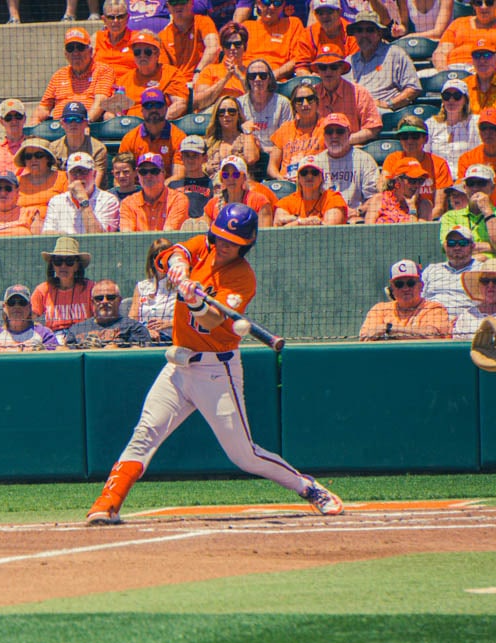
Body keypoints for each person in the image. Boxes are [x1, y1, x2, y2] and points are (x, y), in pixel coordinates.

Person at [86, 203, 344, 525]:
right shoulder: (202, 246)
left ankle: (308, 487)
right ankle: (107, 503)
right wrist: (179, 264)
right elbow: (165, 255)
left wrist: (195, 301)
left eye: (231, 241)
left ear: (245, 244)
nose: (223, 245)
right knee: (145, 432)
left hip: (216, 372)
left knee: (244, 455)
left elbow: (211, 321)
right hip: (178, 366)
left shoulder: (242, 278)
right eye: (220, 237)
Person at [439, 164, 496, 260]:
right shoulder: (450, 216)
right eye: (471, 183)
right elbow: (451, 250)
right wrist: (490, 249)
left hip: (494, 269)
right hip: (461, 267)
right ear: (465, 188)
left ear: (492, 187)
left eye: (481, 183)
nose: (475, 188)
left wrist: (487, 212)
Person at [346, 10, 421, 113]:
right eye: (359, 30)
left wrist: (388, 104)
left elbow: (413, 88)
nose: (364, 35)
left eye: (370, 30)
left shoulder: (395, 54)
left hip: (383, 112)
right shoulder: (349, 61)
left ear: (379, 33)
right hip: (353, 112)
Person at [34, 27, 112, 127]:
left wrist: (83, 124)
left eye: (80, 47)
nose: (75, 53)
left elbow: (100, 102)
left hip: (88, 127)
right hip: (60, 128)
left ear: (90, 51)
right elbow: (44, 108)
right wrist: (34, 123)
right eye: (70, 48)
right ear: (65, 54)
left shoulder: (102, 70)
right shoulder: (59, 75)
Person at [359, 258, 453, 340]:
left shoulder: (434, 308)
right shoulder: (380, 309)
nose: (405, 288)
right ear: (392, 289)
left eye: (410, 283)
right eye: (399, 284)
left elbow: (433, 335)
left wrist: (388, 329)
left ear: (421, 286)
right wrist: (413, 335)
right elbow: (365, 336)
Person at [382, 115, 452, 218]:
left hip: (428, 219)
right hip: (397, 217)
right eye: (404, 137)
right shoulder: (392, 159)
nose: (410, 141)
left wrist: (419, 224)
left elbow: (439, 207)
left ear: (426, 139)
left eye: (415, 136)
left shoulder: (439, 164)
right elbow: (383, 189)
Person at [315, 113, 381, 221]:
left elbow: (375, 198)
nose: (334, 136)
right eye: (329, 132)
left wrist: (358, 211)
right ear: (324, 135)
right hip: (323, 219)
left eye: (339, 131)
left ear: (349, 134)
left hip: (354, 218)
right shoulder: (316, 162)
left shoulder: (364, 160)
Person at [310, 44, 381, 145]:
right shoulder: (311, 94)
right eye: (323, 67)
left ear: (341, 68)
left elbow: (372, 129)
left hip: (350, 148)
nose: (328, 71)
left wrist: (343, 142)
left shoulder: (359, 93)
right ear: (318, 70)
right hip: (317, 149)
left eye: (333, 67)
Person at [33, 236, 95, 340]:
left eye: (69, 261)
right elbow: (29, 319)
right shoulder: (43, 290)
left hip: (83, 337)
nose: (63, 266)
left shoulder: (90, 288)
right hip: (53, 340)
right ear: (52, 265)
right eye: (58, 261)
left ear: (77, 266)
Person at [432, 0, 496, 71]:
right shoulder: (458, 23)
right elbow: (441, 53)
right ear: (473, 5)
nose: (483, 7)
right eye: (478, 2)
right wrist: (444, 71)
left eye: (489, 2)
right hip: (456, 69)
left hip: (488, 73)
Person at [118, 87, 188, 178]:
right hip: (138, 189)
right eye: (149, 106)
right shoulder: (130, 138)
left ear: (166, 108)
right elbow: (121, 175)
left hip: (168, 189)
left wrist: (155, 190)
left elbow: (179, 176)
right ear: (142, 110)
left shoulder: (178, 137)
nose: (153, 110)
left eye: (158, 105)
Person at [43, 152, 119, 234]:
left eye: (84, 172)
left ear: (94, 174)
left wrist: (83, 200)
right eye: (74, 172)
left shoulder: (108, 200)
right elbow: (47, 234)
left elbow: (99, 239)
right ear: (67, 176)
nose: (79, 177)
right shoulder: (56, 201)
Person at [117, 30, 187, 119]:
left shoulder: (171, 74)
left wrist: (155, 122)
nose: (142, 56)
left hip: (161, 126)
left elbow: (180, 104)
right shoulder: (124, 79)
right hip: (129, 127)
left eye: (147, 52)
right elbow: (112, 111)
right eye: (137, 52)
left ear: (157, 54)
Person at [64, 279, 150, 347]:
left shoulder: (134, 328)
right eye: (99, 298)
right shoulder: (76, 329)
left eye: (110, 297)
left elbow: (138, 358)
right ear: (92, 302)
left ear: (119, 300)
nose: (104, 301)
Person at [242, 0, 313, 81]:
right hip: (248, 80)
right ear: (258, 3)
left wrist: (272, 75)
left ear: (283, 5)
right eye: (267, 2)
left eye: (277, 3)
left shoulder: (293, 24)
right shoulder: (247, 27)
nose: (272, 7)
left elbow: (297, 58)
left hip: (278, 82)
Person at [266, 82, 324, 180]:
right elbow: (272, 166)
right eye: (299, 101)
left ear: (317, 102)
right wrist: (280, 178)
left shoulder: (327, 127)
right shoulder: (285, 129)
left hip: (314, 182)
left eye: (310, 99)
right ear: (294, 106)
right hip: (288, 183)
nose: (305, 104)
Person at [0, 284, 60, 352]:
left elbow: (52, 364)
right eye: (12, 303)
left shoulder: (44, 334)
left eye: (22, 303)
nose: (17, 307)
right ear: (4, 307)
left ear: (30, 307)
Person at [120, 152, 190, 231]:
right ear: (137, 174)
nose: (148, 176)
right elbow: (127, 236)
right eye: (143, 172)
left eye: (154, 171)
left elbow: (169, 235)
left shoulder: (178, 200)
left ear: (163, 173)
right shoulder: (128, 203)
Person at [422, 223, 478, 320]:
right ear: (445, 247)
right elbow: (420, 299)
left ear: (472, 246)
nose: (457, 247)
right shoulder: (431, 270)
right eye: (451, 243)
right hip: (431, 319)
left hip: (466, 321)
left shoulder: (481, 269)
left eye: (462, 243)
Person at [426, 80, 480, 178]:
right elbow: (425, 156)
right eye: (446, 96)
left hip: (466, 179)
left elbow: (479, 155)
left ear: (465, 100)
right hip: (438, 179)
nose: (451, 100)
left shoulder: (475, 122)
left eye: (457, 96)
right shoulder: (431, 124)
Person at [159, 0, 221, 85]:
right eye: (173, 2)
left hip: (205, 78)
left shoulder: (203, 22)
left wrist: (198, 72)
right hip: (178, 85)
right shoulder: (163, 36)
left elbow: (214, 48)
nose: (178, 5)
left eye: (182, 1)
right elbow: (164, 69)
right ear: (168, 6)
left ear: (191, 3)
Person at [236, 59, 292, 155]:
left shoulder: (282, 103)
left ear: (270, 79)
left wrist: (263, 150)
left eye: (262, 76)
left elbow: (287, 139)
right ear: (248, 80)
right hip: (247, 155)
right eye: (252, 76)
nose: (257, 79)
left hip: (276, 155)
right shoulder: (239, 104)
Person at [274, 154, 347, 225]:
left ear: (322, 178)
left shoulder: (333, 199)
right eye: (304, 173)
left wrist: (294, 221)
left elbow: (329, 229)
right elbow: (279, 230)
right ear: (298, 178)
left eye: (314, 172)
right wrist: (301, 221)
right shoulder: (287, 202)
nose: (309, 176)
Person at [129, 237, 177, 343]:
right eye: (157, 256)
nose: (161, 260)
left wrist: (168, 323)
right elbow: (131, 320)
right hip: (144, 339)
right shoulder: (141, 286)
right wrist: (145, 331)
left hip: (171, 339)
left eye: (166, 256)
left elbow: (191, 320)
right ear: (151, 260)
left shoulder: (181, 285)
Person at [193, 21, 248, 112]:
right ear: (222, 48)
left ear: (245, 46)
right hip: (214, 115)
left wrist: (240, 76)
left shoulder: (252, 72)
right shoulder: (210, 70)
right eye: (228, 45)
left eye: (237, 44)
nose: (232, 48)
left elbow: (258, 103)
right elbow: (199, 103)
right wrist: (226, 78)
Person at [50, 102, 108, 187]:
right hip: (63, 192)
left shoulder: (98, 148)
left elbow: (95, 184)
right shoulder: (54, 148)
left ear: (86, 123)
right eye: (68, 120)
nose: (73, 124)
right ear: (62, 123)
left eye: (78, 119)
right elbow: (54, 181)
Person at [206, 154, 273, 227]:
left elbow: (265, 235)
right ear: (221, 179)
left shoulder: (259, 201)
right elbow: (204, 234)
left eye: (236, 174)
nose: (230, 179)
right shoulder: (212, 205)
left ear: (244, 177)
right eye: (226, 175)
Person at [203, 94, 261, 177]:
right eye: (221, 112)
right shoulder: (209, 143)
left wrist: (248, 132)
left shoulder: (247, 138)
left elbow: (251, 159)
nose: (226, 115)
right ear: (216, 116)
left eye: (232, 111)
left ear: (239, 114)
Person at [364, 156, 433, 223]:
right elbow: (368, 232)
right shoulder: (379, 199)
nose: (417, 185)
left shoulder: (425, 205)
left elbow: (417, 233)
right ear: (398, 181)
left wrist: (412, 208)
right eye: (412, 180)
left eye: (420, 180)